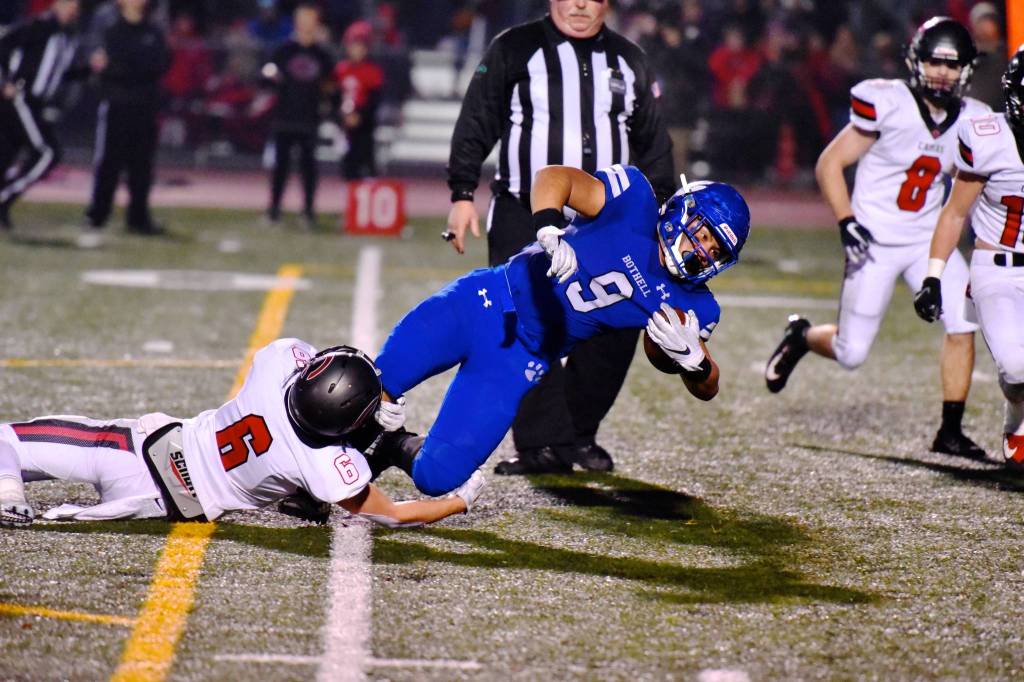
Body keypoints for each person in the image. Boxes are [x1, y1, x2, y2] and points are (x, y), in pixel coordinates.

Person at [372, 163, 749, 496]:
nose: (703, 253)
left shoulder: (696, 304)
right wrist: (548, 227)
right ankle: (317, 470)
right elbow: (554, 177)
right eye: (704, 235)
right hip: (484, 300)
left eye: (716, 252)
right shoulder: (633, 199)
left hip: (520, 359)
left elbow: (700, 381)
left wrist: (693, 362)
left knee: (438, 474)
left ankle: (395, 446)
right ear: (682, 211)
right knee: (373, 382)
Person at [445, 0, 675, 476]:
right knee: (528, 324)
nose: (578, 3)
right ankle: (539, 444)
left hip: (608, 220)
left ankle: (577, 434)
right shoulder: (514, 48)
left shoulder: (630, 59)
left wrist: (662, 213)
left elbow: (654, 142)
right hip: (526, 209)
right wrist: (463, 191)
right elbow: (477, 118)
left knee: (616, 327)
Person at [764, 17, 989, 459]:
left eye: (952, 63)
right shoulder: (888, 102)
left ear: (966, 68)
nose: (942, 72)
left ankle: (950, 430)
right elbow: (830, 163)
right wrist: (846, 220)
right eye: (934, 61)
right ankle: (803, 337)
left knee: (963, 323)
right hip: (875, 238)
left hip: (929, 238)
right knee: (851, 353)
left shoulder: (976, 120)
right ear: (916, 61)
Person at [0, 339, 485, 528]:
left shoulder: (277, 363)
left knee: (12, 440)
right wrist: (459, 500)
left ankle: (7, 488)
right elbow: (396, 516)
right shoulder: (325, 468)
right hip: (163, 507)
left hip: (142, 449)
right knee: (59, 519)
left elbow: (313, 364)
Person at [913, 47, 1024, 469]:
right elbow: (955, 212)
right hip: (997, 269)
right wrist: (933, 276)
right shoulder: (988, 137)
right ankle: (1016, 415)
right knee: (1015, 370)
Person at [82, 0, 170, 243]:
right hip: (117, 104)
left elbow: (159, 65)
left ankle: (138, 216)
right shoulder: (111, 29)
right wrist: (127, 71)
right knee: (109, 162)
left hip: (145, 105)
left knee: (141, 165)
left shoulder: (153, 31)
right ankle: (97, 214)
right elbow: (105, 66)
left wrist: (127, 69)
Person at [0, 0, 85, 231]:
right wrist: (5, 81)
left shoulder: (68, 35)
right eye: (69, 3)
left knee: (6, 155)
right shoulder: (39, 26)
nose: (74, 9)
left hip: (36, 103)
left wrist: (88, 70)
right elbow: (3, 45)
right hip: (21, 99)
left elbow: (59, 72)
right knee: (47, 152)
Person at [262, 3, 334, 229]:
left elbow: (331, 86)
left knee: (309, 169)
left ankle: (308, 212)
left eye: (310, 20)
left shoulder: (322, 54)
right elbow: (265, 76)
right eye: (303, 20)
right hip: (284, 117)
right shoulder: (283, 50)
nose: (306, 25)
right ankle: (274, 210)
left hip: (309, 118)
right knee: (280, 167)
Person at [335, 20, 383, 180]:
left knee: (367, 163)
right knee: (348, 166)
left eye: (361, 46)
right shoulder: (341, 69)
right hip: (344, 125)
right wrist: (342, 116)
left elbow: (375, 100)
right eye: (354, 45)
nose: (357, 50)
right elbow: (335, 96)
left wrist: (360, 116)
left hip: (365, 125)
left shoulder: (372, 71)